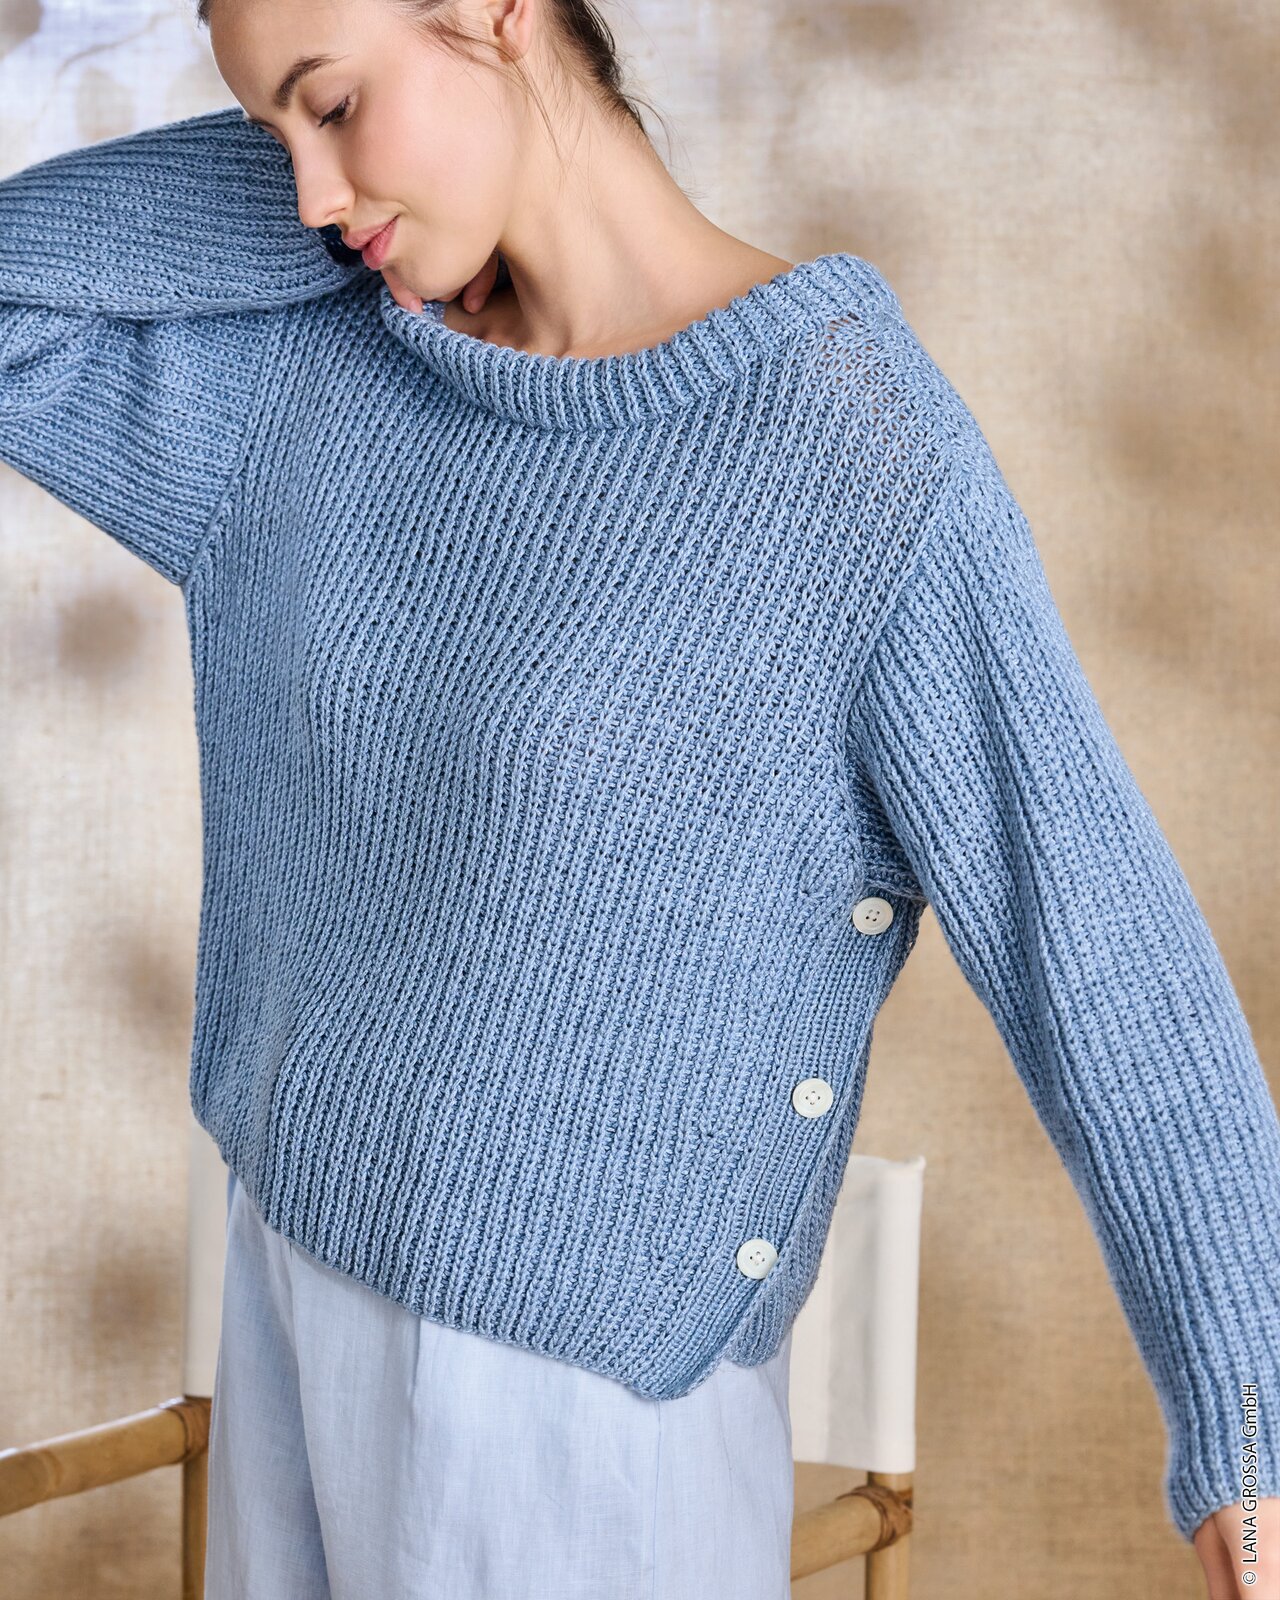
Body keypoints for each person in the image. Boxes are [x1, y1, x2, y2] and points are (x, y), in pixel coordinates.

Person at [0, 0, 1276, 1595]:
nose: (310, 194)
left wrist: (1249, 1431)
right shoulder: (302, 387)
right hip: (287, 1285)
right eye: (271, 136)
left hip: (568, 1411)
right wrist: (343, 183)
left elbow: (1094, 941)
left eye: (330, 106)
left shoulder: (847, 452)